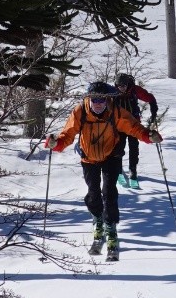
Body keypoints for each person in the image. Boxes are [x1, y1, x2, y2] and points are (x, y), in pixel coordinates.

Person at [44, 81, 160, 260]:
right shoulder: (80, 112)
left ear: (107, 99)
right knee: (93, 194)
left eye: (102, 100)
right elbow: (67, 134)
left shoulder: (115, 112)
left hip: (110, 157)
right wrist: (56, 144)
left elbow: (133, 127)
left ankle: (111, 229)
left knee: (109, 192)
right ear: (88, 99)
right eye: (94, 99)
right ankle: (98, 220)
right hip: (88, 158)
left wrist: (148, 136)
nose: (98, 103)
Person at [113, 72, 159, 184]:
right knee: (118, 149)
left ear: (127, 84)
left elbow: (150, 98)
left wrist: (153, 110)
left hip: (134, 125)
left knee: (134, 148)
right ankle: (118, 171)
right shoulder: (112, 92)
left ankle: (133, 170)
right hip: (119, 126)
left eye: (123, 86)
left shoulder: (134, 90)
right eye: (119, 86)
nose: (122, 88)